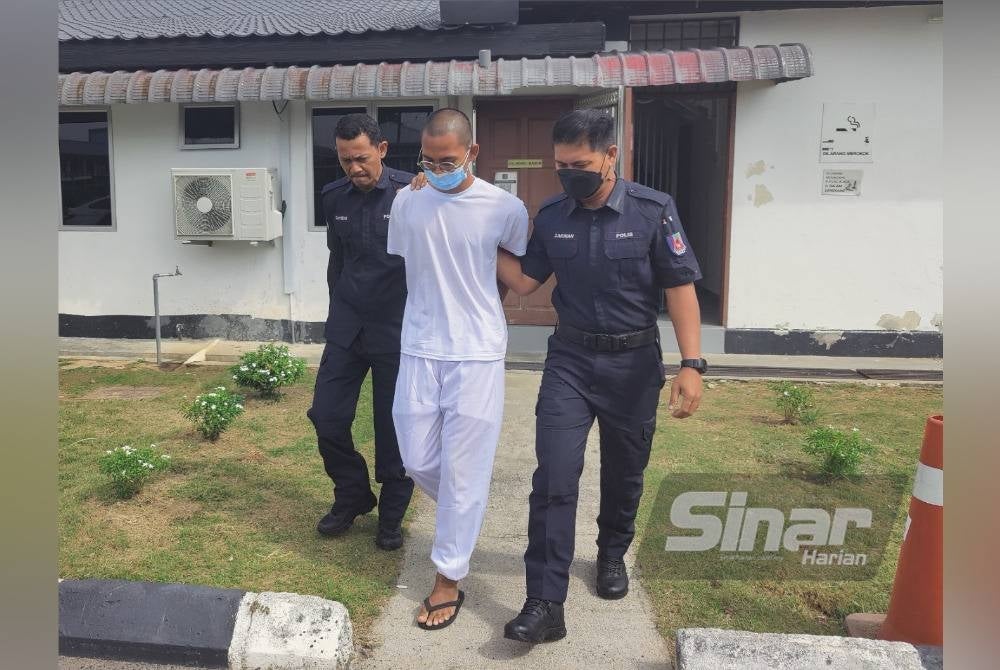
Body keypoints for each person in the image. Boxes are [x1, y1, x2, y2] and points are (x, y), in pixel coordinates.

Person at [496, 109, 706, 643]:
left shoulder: (652, 210)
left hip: (633, 365)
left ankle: (611, 553)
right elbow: (525, 281)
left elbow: (680, 286)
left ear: (610, 155)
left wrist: (691, 363)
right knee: (554, 478)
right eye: (562, 166)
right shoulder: (552, 214)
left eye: (581, 165)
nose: (570, 175)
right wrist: (473, 232)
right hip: (569, 361)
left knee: (624, 471)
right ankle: (545, 602)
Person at [387, 108, 529, 630]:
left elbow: (516, 276)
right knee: (416, 458)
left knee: (465, 471)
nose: (436, 169)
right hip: (419, 345)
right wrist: (422, 182)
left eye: (447, 160)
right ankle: (463, 509)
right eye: (427, 160)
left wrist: (483, 314)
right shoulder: (407, 200)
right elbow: (412, 258)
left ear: (472, 153)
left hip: (476, 352)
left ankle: (448, 577)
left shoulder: (505, 207)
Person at [307, 113, 415, 552]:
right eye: (345, 160)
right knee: (326, 416)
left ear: (382, 150)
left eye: (361, 158)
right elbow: (337, 260)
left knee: (394, 428)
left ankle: (392, 513)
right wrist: (338, 311)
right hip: (348, 327)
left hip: (398, 329)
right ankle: (352, 493)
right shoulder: (334, 196)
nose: (354, 168)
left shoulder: (413, 195)